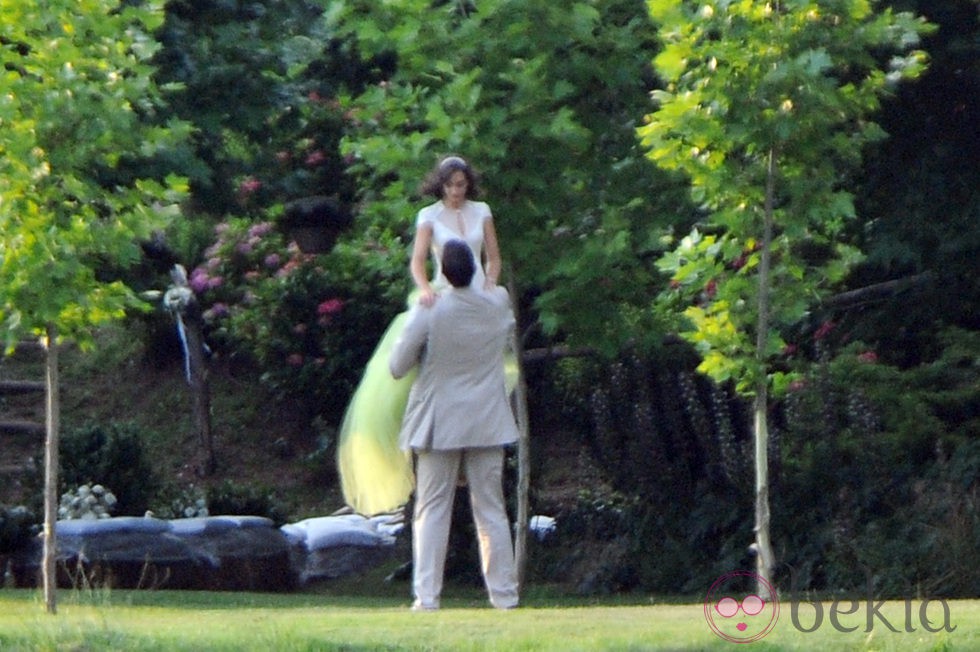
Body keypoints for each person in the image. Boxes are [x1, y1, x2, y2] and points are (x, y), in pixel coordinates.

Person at [336, 155, 507, 516]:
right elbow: (417, 261)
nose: (456, 192)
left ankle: (466, 456)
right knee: (413, 371)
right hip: (444, 292)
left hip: (477, 297)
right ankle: (423, 450)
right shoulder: (429, 216)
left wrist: (491, 281)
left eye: (461, 185)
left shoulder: (482, 211)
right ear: (441, 185)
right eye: (450, 185)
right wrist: (426, 287)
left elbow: (492, 256)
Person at [389, 239, 520, 611]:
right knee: (491, 508)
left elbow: (397, 366)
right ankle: (505, 597)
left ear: (443, 272)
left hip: (439, 420)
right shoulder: (498, 303)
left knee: (432, 508)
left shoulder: (429, 308)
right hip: (488, 419)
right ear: (475, 268)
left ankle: (427, 597)